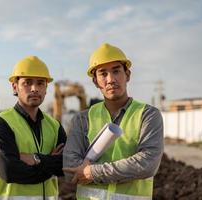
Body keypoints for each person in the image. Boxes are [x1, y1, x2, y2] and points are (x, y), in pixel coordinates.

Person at [63, 43, 163, 200]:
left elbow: (147, 164)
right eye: (103, 74)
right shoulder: (82, 119)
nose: (110, 79)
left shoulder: (148, 115)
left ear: (127, 75)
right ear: (95, 81)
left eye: (116, 71)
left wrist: (93, 172)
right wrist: (123, 171)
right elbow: (71, 170)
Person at [0, 56, 66, 200]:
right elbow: (9, 171)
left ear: (46, 88)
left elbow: (66, 165)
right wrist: (50, 163)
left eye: (40, 83)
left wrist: (36, 159)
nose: (34, 88)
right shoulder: (1, 124)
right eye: (27, 83)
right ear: (15, 87)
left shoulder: (55, 126)